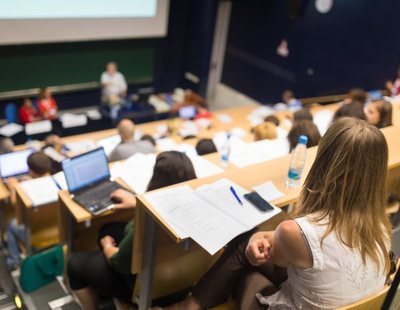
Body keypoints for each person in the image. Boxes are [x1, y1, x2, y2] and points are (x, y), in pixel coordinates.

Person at [160, 117, 391, 310]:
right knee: (250, 245)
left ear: (325, 163)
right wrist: (268, 237)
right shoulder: (382, 226)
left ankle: (188, 306)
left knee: (247, 272)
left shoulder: (295, 232)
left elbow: (279, 256)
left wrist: (266, 238)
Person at [67, 151, 197, 310]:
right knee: (107, 229)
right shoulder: (191, 209)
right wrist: (138, 202)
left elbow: (118, 262)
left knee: (74, 264)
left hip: (150, 291)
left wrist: (107, 246)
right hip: (183, 281)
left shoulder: (149, 225)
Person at [6, 152, 52, 269]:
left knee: (11, 224)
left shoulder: (26, 188)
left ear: (30, 171)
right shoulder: (56, 180)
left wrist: (13, 187)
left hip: (36, 235)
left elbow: (14, 204)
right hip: (57, 231)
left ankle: (13, 261)